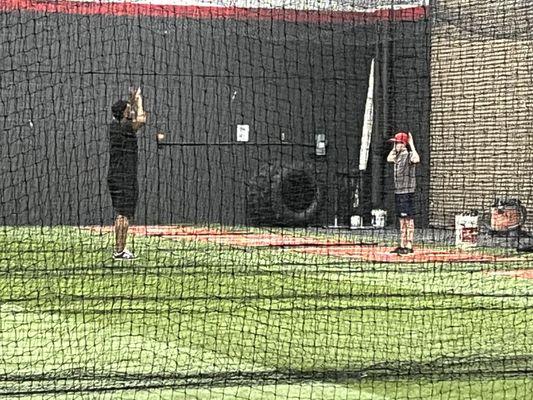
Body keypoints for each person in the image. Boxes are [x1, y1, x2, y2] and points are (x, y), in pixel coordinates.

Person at [107, 88, 147, 260]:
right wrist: (138, 100)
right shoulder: (125, 127)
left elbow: (132, 117)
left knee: (121, 213)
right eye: (127, 109)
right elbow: (142, 119)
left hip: (116, 176)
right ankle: (119, 250)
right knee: (124, 214)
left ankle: (120, 249)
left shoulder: (116, 126)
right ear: (124, 113)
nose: (130, 111)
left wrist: (132, 102)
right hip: (124, 177)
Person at [386, 131, 420, 255]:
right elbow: (389, 158)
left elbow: (416, 159)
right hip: (398, 191)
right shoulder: (396, 155)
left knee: (408, 218)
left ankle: (409, 244)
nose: (395, 146)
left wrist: (410, 144)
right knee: (401, 219)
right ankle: (402, 243)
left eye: (397, 143)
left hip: (407, 191)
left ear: (403, 144)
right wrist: (395, 149)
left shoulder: (408, 154)